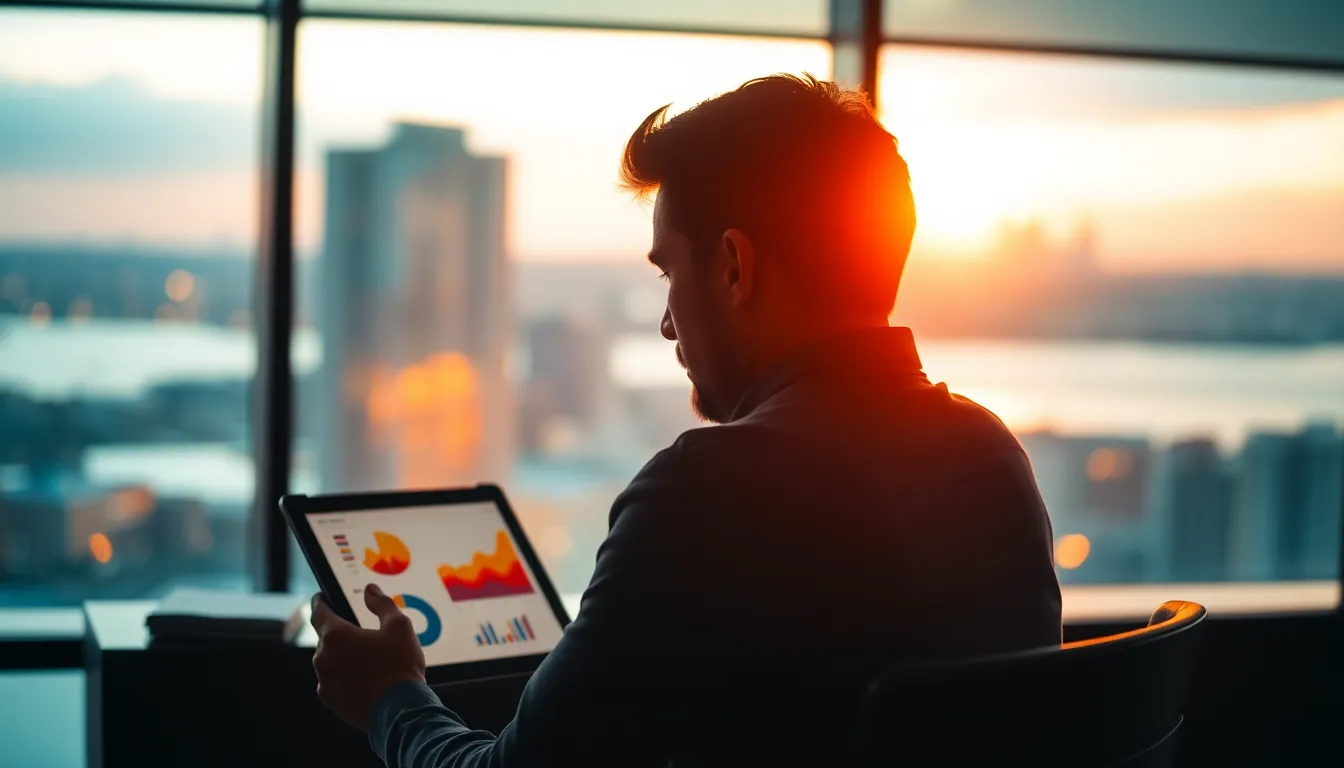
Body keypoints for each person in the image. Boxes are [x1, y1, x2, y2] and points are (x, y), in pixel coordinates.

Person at [309, 73, 1062, 767]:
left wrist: (392, 698)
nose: (668, 326)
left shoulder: (708, 492)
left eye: (669, 271)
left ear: (735, 267)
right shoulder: (991, 458)